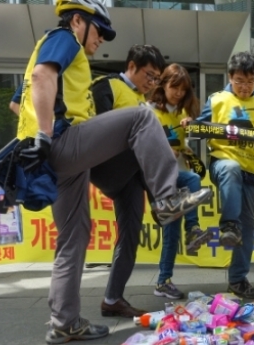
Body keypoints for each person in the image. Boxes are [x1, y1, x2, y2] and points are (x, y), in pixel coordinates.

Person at [16, 0, 211, 343]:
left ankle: (64, 321)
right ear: (78, 20)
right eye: (99, 31)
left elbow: (21, 97)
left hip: (58, 157)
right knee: (142, 116)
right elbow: (41, 75)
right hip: (61, 142)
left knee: (73, 239)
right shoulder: (64, 37)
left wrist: (37, 134)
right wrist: (45, 134)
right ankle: (166, 199)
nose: (102, 40)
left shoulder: (50, 49)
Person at [88, 44, 167, 317]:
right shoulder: (106, 86)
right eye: (149, 75)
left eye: (157, 78)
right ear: (131, 66)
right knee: (144, 145)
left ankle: (112, 299)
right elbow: (96, 133)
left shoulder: (141, 101)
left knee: (130, 235)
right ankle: (164, 203)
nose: (152, 83)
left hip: (132, 175)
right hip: (106, 165)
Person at [196, 51, 254, 299]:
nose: (244, 87)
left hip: (253, 171)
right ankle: (228, 225)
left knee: (249, 228)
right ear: (230, 77)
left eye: (250, 81)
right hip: (223, 163)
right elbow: (200, 126)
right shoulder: (217, 99)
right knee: (231, 169)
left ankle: (238, 280)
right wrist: (191, 123)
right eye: (239, 81)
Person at [151, 63, 213, 299]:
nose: (178, 93)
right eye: (174, 87)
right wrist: (167, 151)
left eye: (183, 89)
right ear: (163, 85)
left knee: (171, 231)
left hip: (178, 177)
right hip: (161, 179)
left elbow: (186, 143)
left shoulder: (183, 114)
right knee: (193, 179)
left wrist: (191, 129)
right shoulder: (150, 111)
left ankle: (163, 281)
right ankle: (194, 229)